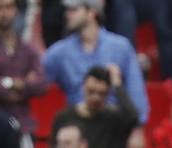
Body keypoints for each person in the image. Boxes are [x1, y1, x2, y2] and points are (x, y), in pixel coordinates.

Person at [42, 0, 149, 130]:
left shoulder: (121, 47)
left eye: (74, 10)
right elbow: (38, 77)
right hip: (77, 125)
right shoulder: (60, 52)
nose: (67, 14)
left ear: (91, 13)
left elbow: (136, 90)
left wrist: (138, 129)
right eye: (67, 10)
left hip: (113, 126)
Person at [0, 0, 47, 139]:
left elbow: (40, 84)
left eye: (8, 7)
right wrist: (16, 84)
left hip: (22, 125)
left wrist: (6, 83)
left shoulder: (27, 49)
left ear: (16, 10)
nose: (4, 13)